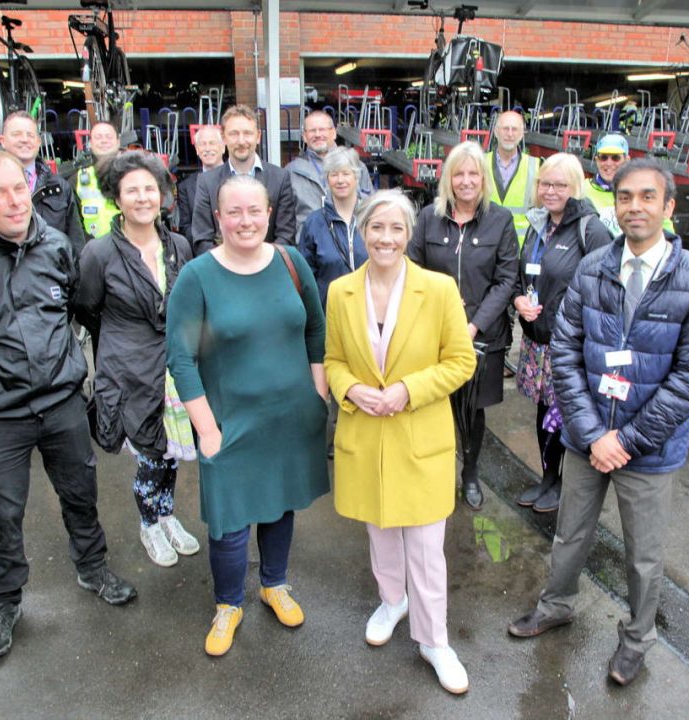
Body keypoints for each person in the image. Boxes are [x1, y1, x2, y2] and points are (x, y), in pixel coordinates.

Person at [0, 150, 137, 662]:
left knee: (81, 492)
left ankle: (92, 567)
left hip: (61, 404)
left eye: (19, 188)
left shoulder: (58, 246)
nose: (14, 201)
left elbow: (77, 310)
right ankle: (3, 602)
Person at [507, 158, 689, 688]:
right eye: (625, 197)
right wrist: (590, 432)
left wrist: (623, 441)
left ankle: (635, 642)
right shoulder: (595, 265)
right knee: (569, 536)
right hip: (586, 441)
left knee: (644, 558)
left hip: (646, 452)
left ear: (668, 207)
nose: (635, 207)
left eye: (648, 197)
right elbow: (566, 349)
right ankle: (556, 605)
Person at [166, 175, 329, 657]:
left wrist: (317, 394)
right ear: (218, 218)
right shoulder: (197, 276)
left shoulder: (289, 261)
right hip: (230, 423)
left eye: (254, 211)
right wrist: (208, 430)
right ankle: (228, 604)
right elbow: (181, 359)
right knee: (230, 522)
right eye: (233, 212)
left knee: (280, 505)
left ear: (269, 214)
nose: (245, 221)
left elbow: (315, 330)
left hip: (290, 417)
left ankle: (274, 584)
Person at [325, 189, 477, 695]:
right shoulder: (341, 291)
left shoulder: (437, 289)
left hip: (420, 438)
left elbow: (461, 361)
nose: (385, 238)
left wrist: (408, 391)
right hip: (366, 437)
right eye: (376, 228)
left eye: (395, 229)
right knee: (380, 533)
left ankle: (434, 640)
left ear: (409, 234)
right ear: (362, 232)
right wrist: (352, 389)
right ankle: (393, 601)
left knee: (428, 549)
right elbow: (333, 362)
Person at [75, 150, 199, 568]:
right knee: (148, 457)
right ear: (117, 197)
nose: (143, 197)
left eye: (150, 188)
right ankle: (149, 522)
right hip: (129, 373)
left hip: (173, 371)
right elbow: (88, 309)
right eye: (132, 190)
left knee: (170, 453)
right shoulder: (99, 252)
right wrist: (120, 344)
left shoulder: (179, 245)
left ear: (163, 194)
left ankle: (167, 514)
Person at [408, 140, 518, 511]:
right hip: (432, 334)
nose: (466, 181)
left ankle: (469, 474)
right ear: (448, 179)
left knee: (472, 411)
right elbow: (413, 271)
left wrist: (471, 326)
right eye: (459, 173)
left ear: (483, 179)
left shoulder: (500, 220)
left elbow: (506, 280)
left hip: (481, 337)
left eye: (473, 173)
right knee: (430, 405)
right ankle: (432, 473)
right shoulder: (428, 217)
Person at [512, 153, 611, 514]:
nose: (550, 191)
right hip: (538, 341)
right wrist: (519, 298)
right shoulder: (540, 224)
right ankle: (548, 478)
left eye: (559, 185)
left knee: (564, 415)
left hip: (569, 345)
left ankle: (564, 486)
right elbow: (527, 275)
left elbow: (607, 289)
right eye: (544, 184)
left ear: (575, 187)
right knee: (543, 413)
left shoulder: (590, 228)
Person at [0, 111, 84, 252]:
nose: (24, 139)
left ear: (38, 142)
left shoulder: (59, 187)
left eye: (30, 135)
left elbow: (75, 244)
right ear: (2, 141)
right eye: (17, 134)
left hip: (48, 271)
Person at [189, 104, 296, 254]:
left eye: (247, 133)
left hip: (268, 270)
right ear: (224, 137)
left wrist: (259, 263)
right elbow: (201, 240)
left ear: (258, 136)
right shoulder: (207, 182)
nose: (241, 141)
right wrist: (232, 264)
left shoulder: (280, 178)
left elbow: (286, 236)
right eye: (234, 134)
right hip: (223, 273)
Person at [297, 146, 368, 307]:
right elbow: (306, 279)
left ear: (356, 177)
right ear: (327, 179)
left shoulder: (372, 219)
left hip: (369, 313)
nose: (340, 180)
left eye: (346, 173)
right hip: (328, 313)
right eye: (334, 174)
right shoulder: (314, 223)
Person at [287, 109, 373, 237]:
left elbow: (370, 208)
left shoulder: (357, 167)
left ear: (333, 132)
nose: (317, 134)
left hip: (352, 244)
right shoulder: (291, 171)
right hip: (310, 247)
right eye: (312, 131)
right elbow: (287, 219)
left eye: (322, 129)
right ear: (304, 136)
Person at [585, 134, 673, 237]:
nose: (608, 163)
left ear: (627, 160)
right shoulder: (582, 189)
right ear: (596, 160)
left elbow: (666, 229)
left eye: (615, 158)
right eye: (603, 157)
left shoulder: (641, 190)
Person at [486, 110, 540, 247]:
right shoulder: (480, 163)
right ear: (496, 132)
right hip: (485, 247)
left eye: (514, 129)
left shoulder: (537, 166)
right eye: (505, 129)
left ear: (522, 134)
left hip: (521, 249)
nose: (510, 134)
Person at [176, 124, 225, 241]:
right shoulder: (185, 186)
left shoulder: (238, 178)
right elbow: (185, 227)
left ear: (223, 147)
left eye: (212, 143)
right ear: (197, 150)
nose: (207, 148)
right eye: (203, 144)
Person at [75, 121, 123, 240]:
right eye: (98, 137)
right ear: (90, 143)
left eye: (108, 137)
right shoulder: (79, 178)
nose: (104, 141)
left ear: (118, 142)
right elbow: (74, 223)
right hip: (93, 250)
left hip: (130, 247)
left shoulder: (134, 173)